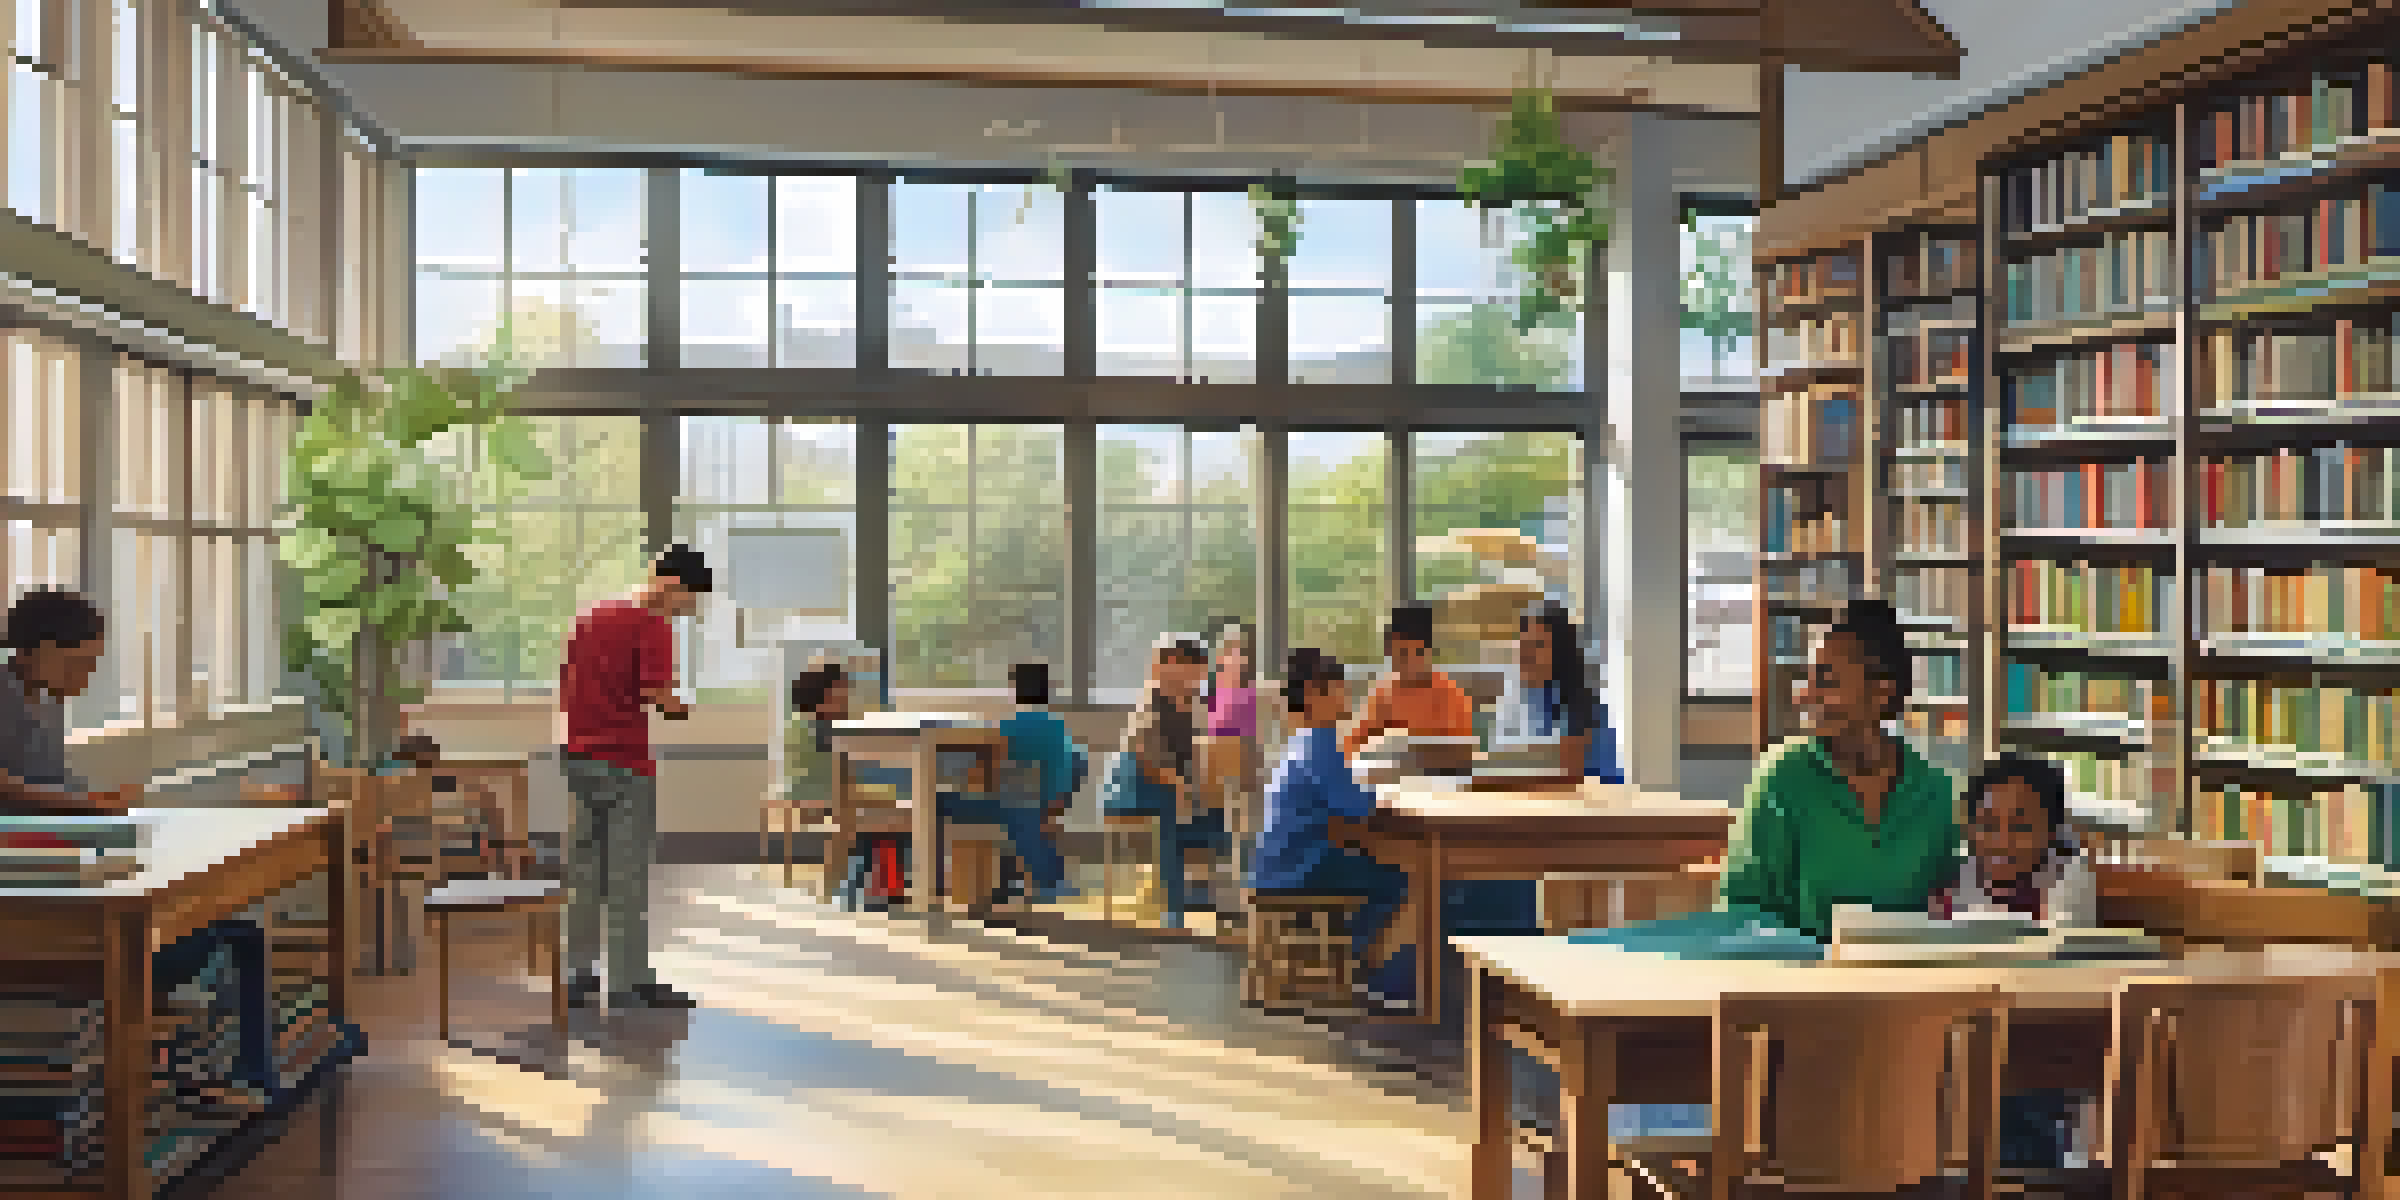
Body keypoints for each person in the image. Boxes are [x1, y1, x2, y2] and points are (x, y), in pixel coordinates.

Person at [1718, 598, 1960, 941]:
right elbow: (1743, 912)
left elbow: (1958, 904)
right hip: (1803, 983)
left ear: (1880, 693)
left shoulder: (1936, 789)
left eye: (1826, 681)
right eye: (1808, 678)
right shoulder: (1783, 777)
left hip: (1915, 982)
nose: (1805, 695)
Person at [557, 545, 708, 1011]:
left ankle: (578, 977)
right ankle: (627, 983)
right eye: (690, 597)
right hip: (625, 761)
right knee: (627, 874)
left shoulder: (590, 616)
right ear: (670, 583)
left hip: (579, 755)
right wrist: (682, 707)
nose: (688, 608)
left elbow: (567, 686)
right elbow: (659, 696)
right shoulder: (652, 625)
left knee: (584, 870)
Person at [1938, 754, 2095, 1170]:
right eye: (1987, 826)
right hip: (1969, 1021)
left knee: (2023, 1114)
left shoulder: (2067, 874)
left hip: (2042, 1024)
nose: (2003, 840)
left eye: (2022, 827)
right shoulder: (1961, 871)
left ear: (2052, 831)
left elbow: (2054, 946)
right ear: (1969, 829)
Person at [1250, 648, 1411, 1010]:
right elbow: (1355, 808)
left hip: (1280, 863)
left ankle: (1363, 963)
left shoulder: (1305, 741)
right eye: (1338, 686)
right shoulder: (1320, 743)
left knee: (1379, 869)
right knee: (1405, 877)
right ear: (1312, 692)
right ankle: (1382, 979)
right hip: (1300, 867)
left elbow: (1342, 800)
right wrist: (1385, 794)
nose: (1347, 693)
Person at [1112, 636, 1227, 926]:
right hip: (1137, 787)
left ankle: (1202, 890)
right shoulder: (1150, 704)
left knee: (1217, 816)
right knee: (1171, 816)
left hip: (1173, 787)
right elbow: (1144, 757)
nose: (1199, 676)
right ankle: (1171, 907)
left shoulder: (1193, 707)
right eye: (1195, 669)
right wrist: (1179, 785)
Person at [946, 662, 1078, 904]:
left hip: (1017, 804)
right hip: (1043, 803)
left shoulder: (1007, 727)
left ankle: (932, 879)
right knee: (1016, 803)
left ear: (1015, 690)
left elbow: (982, 772)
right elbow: (1069, 768)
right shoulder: (1058, 728)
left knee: (938, 802)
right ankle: (1049, 881)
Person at [0, 589, 130, 817]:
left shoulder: (49, 699)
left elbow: (49, 776)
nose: (87, 674)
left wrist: (92, 796)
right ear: (41, 651)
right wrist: (78, 802)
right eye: (79, 663)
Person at [1498, 602, 1624, 782]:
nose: (1526, 654)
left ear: (1560, 650)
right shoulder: (1521, 696)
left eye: (1538, 645)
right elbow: (1501, 756)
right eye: (1523, 645)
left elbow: (1564, 771)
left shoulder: (1579, 703)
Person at [1341, 604, 1476, 759]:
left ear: (1429, 653)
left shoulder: (1450, 695)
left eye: (1415, 653)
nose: (1407, 663)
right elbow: (1352, 749)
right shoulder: (1384, 694)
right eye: (1399, 655)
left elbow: (1461, 753)